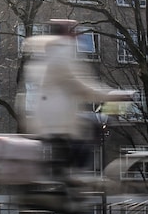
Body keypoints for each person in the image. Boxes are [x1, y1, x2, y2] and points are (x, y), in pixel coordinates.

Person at [24, 19, 131, 180]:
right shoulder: (62, 53)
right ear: (67, 33)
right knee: (98, 122)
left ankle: (64, 176)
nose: (78, 35)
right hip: (57, 118)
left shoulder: (43, 53)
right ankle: (76, 175)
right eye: (74, 31)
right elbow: (80, 86)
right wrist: (112, 95)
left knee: (72, 143)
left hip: (42, 116)